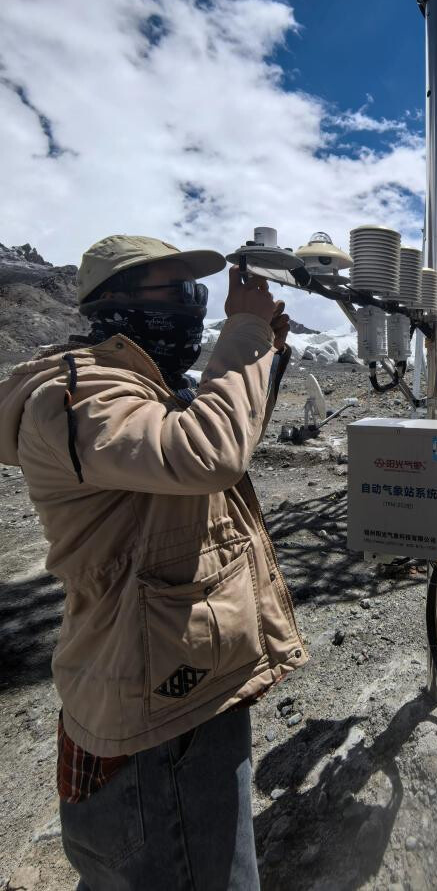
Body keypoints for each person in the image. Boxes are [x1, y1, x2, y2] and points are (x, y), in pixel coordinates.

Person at [0, 234, 307, 889]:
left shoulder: (143, 385)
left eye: (192, 290)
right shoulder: (78, 392)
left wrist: (263, 352)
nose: (191, 304)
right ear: (111, 301)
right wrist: (244, 325)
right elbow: (205, 455)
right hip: (155, 714)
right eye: (170, 290)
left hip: (180, 683)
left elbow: (226, 438)